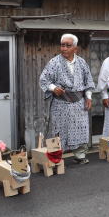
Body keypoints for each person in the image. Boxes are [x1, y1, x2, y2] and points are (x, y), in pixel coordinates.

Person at [40, 34, 95, 164]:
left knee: (81, 128)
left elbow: (89, 82)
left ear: (75, 48)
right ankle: (56, 158)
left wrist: (88, 97)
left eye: (68, 45)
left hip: (78, 103)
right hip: (61, 103)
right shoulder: (54, 62)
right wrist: (53, 88)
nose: (64, 48)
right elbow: (44, 79)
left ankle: (80, 155)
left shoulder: (81, 62)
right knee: (59, 130)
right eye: (62, 45)